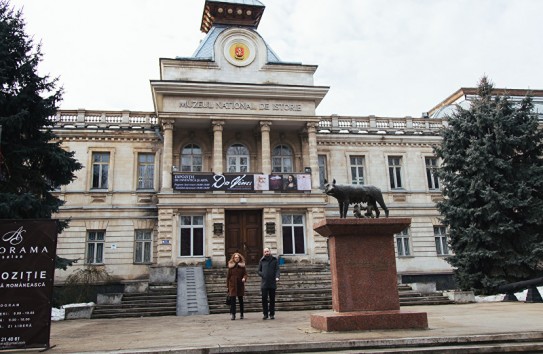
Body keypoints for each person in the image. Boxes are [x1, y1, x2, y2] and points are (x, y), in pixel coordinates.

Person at [258, 247, 280, 320]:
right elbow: (258, 271)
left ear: (270, 252)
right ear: (264, 253)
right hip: (264, 283)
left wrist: (277, 277)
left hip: (272, 282)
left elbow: (277, 269)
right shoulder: (262, 260)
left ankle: (272, 314)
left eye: (267, 251)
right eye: (265, 252)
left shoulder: (274, 260)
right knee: (264, 298)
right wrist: (262, 274)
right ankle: (265, 314)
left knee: (272, 299)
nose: (266, 253)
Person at [226, 252, 248, 320]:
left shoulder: (242, 266)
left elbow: (245, 274)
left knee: (241, 300)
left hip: (240, 285)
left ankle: (241, 314)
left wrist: (244, 278)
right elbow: (228, 277)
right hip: (232, 285)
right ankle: (233, 314)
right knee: (233, 301)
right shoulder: (231, 267)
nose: (237, 259)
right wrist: (228, 287)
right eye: (235, 257)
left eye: (238, 257)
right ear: (233, 258)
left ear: (239, 258)